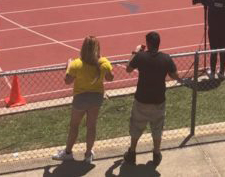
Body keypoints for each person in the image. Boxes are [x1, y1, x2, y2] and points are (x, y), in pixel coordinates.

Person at [53, 36, 114, 163]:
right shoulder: (104, 63)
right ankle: (88, 154)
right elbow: (110, 78)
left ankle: (68, 152)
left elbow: (67, 81)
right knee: (91, 126)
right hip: (96, 97)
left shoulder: (76, 64)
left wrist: (68, 67)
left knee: (74, 126)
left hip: (81, 98)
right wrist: (104, 64)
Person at [123, 32, 179, 167]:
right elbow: (175, 76)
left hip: (141, 99)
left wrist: (135, 52)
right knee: (157, 128)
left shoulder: (140, 57)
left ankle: (132, 152)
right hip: (159, 100)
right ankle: (156, 153)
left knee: (136, 127)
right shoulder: (166, 58)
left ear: (148, 43)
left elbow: (128, 69)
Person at [198, 0, 225, 79]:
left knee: (213, 50)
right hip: (224, 28)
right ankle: (221, 72)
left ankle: (212, 72)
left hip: (213, 29)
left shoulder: (211, 1)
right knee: (222, 50)